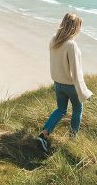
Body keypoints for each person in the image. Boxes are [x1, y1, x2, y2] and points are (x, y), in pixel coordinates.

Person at [37, 12, 93, 152]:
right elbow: (76, 72)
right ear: (74, 27)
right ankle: (72, 139)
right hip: (70, 86)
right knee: (77, 109)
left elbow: (54, 62)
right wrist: (84, 92)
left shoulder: (54, 39)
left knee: (61, 109)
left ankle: (43, 135)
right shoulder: (71, 45)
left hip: (58, 83)